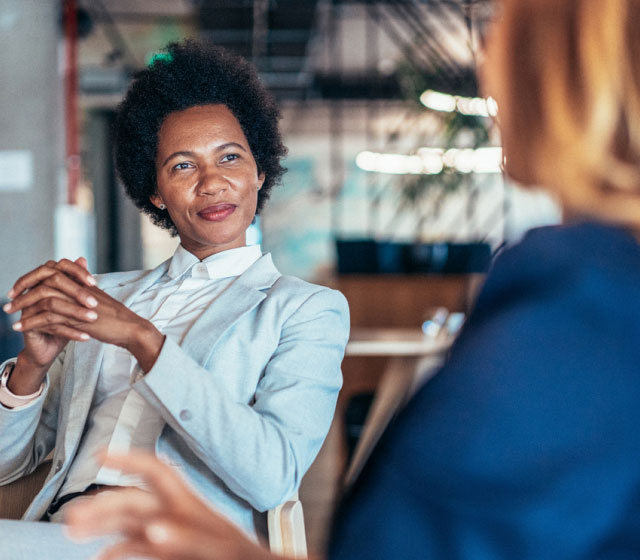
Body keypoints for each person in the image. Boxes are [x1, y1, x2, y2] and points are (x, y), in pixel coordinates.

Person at [63, 0, 640, 558]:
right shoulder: (585, 300)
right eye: (184, 164)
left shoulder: (580, 310)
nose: (486, 51)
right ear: (156, 188)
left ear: (568, 72)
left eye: (499, 24)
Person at [0, 39, 349, 559]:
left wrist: (145, 341)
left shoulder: (305, 309)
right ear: (155, 192)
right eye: (182, 166)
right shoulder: (102, 296)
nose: (212, 182)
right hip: (65, 534)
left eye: (230, 157)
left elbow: (273, 476)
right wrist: (31, 366)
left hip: (176, 542)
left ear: (259, 172)